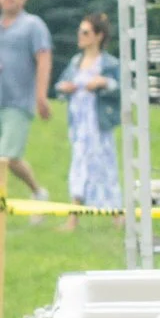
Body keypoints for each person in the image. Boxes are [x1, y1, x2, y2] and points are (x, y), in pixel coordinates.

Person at [54, 12, 119, 215]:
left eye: (85, 32)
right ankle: (74, 217)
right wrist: (65, 88)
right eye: (80, 32)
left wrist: (104, 83)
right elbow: (60, 85)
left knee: (105, 167)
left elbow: (122, 88)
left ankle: (117, 215)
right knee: (79, 166)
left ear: (98, 36)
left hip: (98, 123)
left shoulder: (109, 64)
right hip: (79, 124)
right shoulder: (75, 62)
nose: (80, 36)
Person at [0, 0, 52, 200]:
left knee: (7, 157)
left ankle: (37, 192)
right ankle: (38, 192)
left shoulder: (33, 25)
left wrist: (41, 96)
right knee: (8, 159)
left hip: (18, 102)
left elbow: (43, 58)